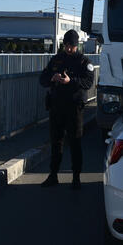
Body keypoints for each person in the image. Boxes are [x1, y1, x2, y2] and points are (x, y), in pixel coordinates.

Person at [39, 30, 95, 189]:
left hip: (74, 107)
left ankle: (76, 177)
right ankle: (53, 175)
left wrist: (71, 81)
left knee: (75, 142)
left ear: (77, 45)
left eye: (72, 46)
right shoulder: (57, 59)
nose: (69, 49)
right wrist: (52, 78)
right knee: (56, 142)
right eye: (66, 45)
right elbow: (42, 79)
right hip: (56, 106)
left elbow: (88, 82)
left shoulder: (84, 62)